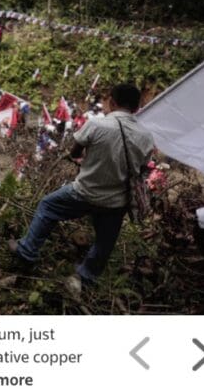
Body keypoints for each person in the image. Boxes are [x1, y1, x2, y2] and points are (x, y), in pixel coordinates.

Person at [10, 82, 155, 294]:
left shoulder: (96, 125)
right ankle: (86, 277)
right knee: (105, 242)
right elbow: (141, 169)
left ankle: (28, 250)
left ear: (111, 102)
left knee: (48, 206)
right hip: (117, 201)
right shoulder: (146, 136)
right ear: (136, 107)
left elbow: (75, 153)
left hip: (84, 193)